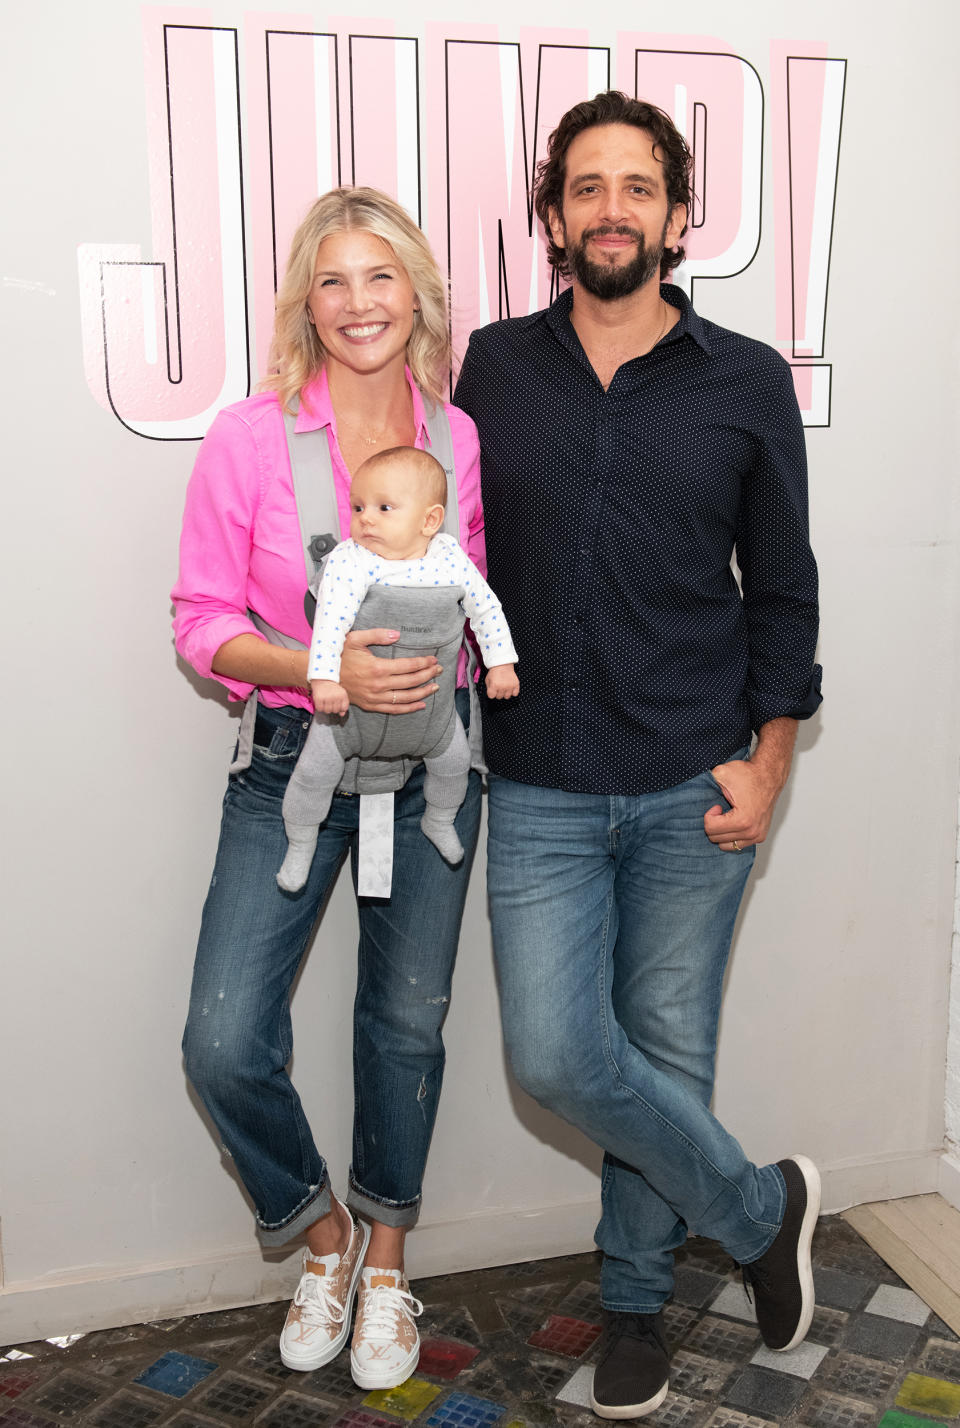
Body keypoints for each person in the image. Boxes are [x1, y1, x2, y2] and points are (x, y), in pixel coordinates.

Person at [454, 92, 823, 1420]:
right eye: (586, 187)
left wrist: (770, 763)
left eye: (639, 186)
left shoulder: (745, 381)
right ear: (551, 215)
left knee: (666, 1053)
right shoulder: (490, 366)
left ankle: (631, 1310)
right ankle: (757, 1207)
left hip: (693, 774)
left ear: (680, 214)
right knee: (558, 1055)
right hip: (542, 773)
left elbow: (783, 591)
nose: (613, 209)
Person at [174, 187, 487, 1391]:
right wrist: (323, 666)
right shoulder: (249, 437)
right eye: (333, 280)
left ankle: (392, 1269)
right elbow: (200, 622)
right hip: (289, 763)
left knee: (405, 1024)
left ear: (417, 294)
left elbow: (472, 586)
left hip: (433, 767)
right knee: (221, 1039)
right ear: (307, 300)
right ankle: (324, 1238)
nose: (359, 304)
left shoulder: (456, 438)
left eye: (381, 277)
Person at [277, 445, 518, 891]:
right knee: (315, 771)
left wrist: (500, 664)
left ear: (429, 521)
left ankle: (439, 818)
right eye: (358, 506)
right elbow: (330, 623)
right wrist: (325, 678)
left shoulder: (450, 558)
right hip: (349, 719)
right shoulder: (352, 561)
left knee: (456, 761)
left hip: (432, 717)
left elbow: (487, 610)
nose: (366, 518)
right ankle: (301, 840)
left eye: (384, 508)